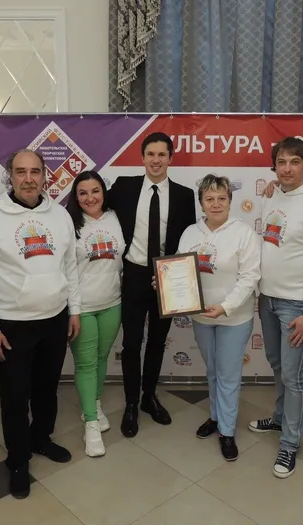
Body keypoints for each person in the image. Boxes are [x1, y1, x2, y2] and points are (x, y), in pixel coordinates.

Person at [0, 149, 81, 499]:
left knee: (47, 389)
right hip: (13, 324)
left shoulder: (60, 216)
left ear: (44, 176)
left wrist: (74, 310)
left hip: (54, 319)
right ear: (10, 175)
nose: (28, 178)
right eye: (21, 172)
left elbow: (70, 266)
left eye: (35, 171)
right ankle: (18, 460)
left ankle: (41, 439)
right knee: (15, 397)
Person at [248, 137, 303, 479]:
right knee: (278, 366)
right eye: (281, 162)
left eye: (294, 162)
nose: (286, 168)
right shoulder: (272, 195)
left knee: (294, 376)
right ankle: (279, 418)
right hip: (268, 299)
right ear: (274, 166)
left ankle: (289, 443)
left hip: (297, 306)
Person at [108, 132, 197, 438]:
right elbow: (93, 203)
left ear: (170, 158)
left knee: (158, 341)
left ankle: (149, 397)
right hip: (133, 274)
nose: (156, 160)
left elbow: (188, 240)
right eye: (151, 154)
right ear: (142, 157)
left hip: (168, 276)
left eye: (162, 154)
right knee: (131, 344)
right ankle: (131, 403)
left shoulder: (185, 195)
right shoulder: (124, 187)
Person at [174, 174, 260, 461]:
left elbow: (250, 277)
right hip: (201, 317)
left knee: (228, 374)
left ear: (230, 201)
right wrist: (165, 284)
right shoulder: (190, 232)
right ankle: (215, 416)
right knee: (212, 370)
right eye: (209, 198)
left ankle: (227, 430)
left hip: (234, 317)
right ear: (201, 203)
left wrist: (226, 306)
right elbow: (179, 269)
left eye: (221, 198)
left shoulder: (243, 233)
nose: (216, 203)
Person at [66, 170, 125, 457]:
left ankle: (95, 404)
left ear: (104, 192)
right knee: (86, 364)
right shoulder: (68, 223)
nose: (90, 198)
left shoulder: (116, 217)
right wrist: (73, 310)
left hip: (113, 302)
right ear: (75, 197)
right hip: (83, 308)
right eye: (83, 193)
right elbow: (66, 271)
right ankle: (90, 424)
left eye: (95, 191)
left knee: (101, 358)